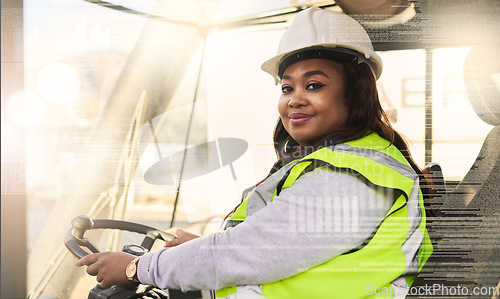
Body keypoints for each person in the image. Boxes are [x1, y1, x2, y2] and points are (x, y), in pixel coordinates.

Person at [77, 7, 433, 298]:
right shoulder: (346, 162)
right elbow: (274, 247)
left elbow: (247, 254)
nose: (294, 98)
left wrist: (134, 267)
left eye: (314, 85)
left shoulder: (352, 175)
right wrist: (204, 248)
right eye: (286, 87)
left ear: (355, 94)